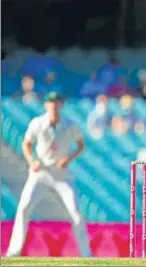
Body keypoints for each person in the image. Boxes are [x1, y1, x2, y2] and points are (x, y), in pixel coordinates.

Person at [6, 92, 92, 257]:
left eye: (56, 102)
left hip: (62, 174)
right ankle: (14, 251)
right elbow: (26, 144)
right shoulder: (37, 123)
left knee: (76, 213)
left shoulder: (70, 125)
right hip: (41, 172)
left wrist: (69, 158)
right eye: (50, 103)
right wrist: (32, 162)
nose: (53, 106)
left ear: (61, 105)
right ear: (45, 105)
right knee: (24, 209)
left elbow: (81, 145)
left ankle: (86, 253)